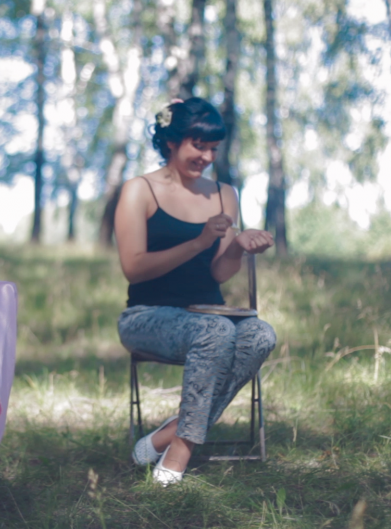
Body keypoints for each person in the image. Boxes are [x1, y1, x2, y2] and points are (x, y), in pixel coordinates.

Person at [114, 97, 277, 486]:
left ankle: (170, 434)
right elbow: (134, 267)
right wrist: (200, 241)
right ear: (172, 141)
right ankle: (179, 454)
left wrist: (238, 246)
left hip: (209, 316)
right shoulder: (139, 191)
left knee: (261, 334)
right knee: (215, 332)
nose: (206, 157)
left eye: (213, 149)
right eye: (198, 145)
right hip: (146, 317)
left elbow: (219, 271)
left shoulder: (224, 194)